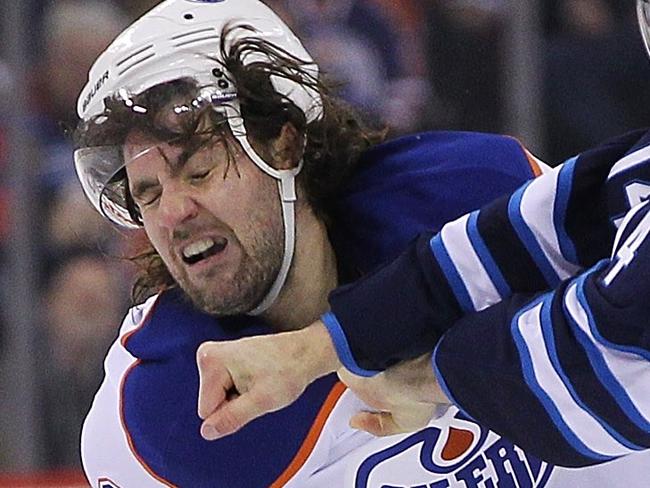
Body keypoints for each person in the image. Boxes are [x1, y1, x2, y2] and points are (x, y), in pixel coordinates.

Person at [74, 0, 649, 486]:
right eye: (146, 195)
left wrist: (425, 374)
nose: (172, 212)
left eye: (199, 171)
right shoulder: (152, 412)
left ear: (284, 147)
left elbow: (620, 337)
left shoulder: (473, 186)